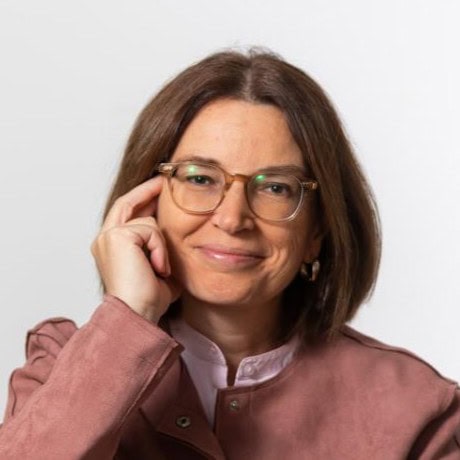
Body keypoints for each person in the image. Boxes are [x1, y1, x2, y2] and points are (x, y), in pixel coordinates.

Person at [0, 49, 459, 460]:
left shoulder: (416, 408)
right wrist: (129, 316)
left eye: (276, 188)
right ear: (145, 204)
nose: (232, 218)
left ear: (317, 231)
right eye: (200, 178)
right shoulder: (61, 366)